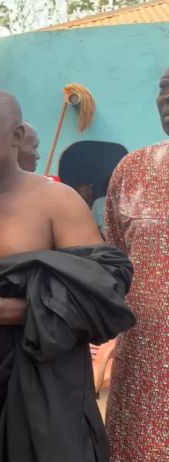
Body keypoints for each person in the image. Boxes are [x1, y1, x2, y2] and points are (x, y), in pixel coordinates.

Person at [0, 90, 134, 462]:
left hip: (43, 383)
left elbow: (100, 294)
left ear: (16, 136)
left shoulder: (58, 202)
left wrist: (5, 311)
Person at [104, 65, 169, 462]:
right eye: (164, 88)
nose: (167, 97)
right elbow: (113, 260)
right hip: (144, 355)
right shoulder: (133, 170)